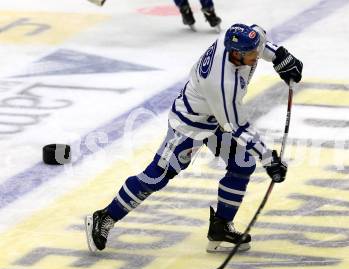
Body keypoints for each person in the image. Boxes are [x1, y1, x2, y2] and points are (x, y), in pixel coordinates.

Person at [85, 23, 303, 253]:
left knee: (242, 164)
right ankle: (104, 217)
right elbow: (236, 127)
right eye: (251, 54)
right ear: (235, 54)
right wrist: (269, 159)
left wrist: (281, 56)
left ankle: (221, 226)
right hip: (191, 124)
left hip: (216, 118)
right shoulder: (222, 83)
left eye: (254, 51)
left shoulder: (238, 44)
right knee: (156, 176)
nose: (255, 56)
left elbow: (260, 37)